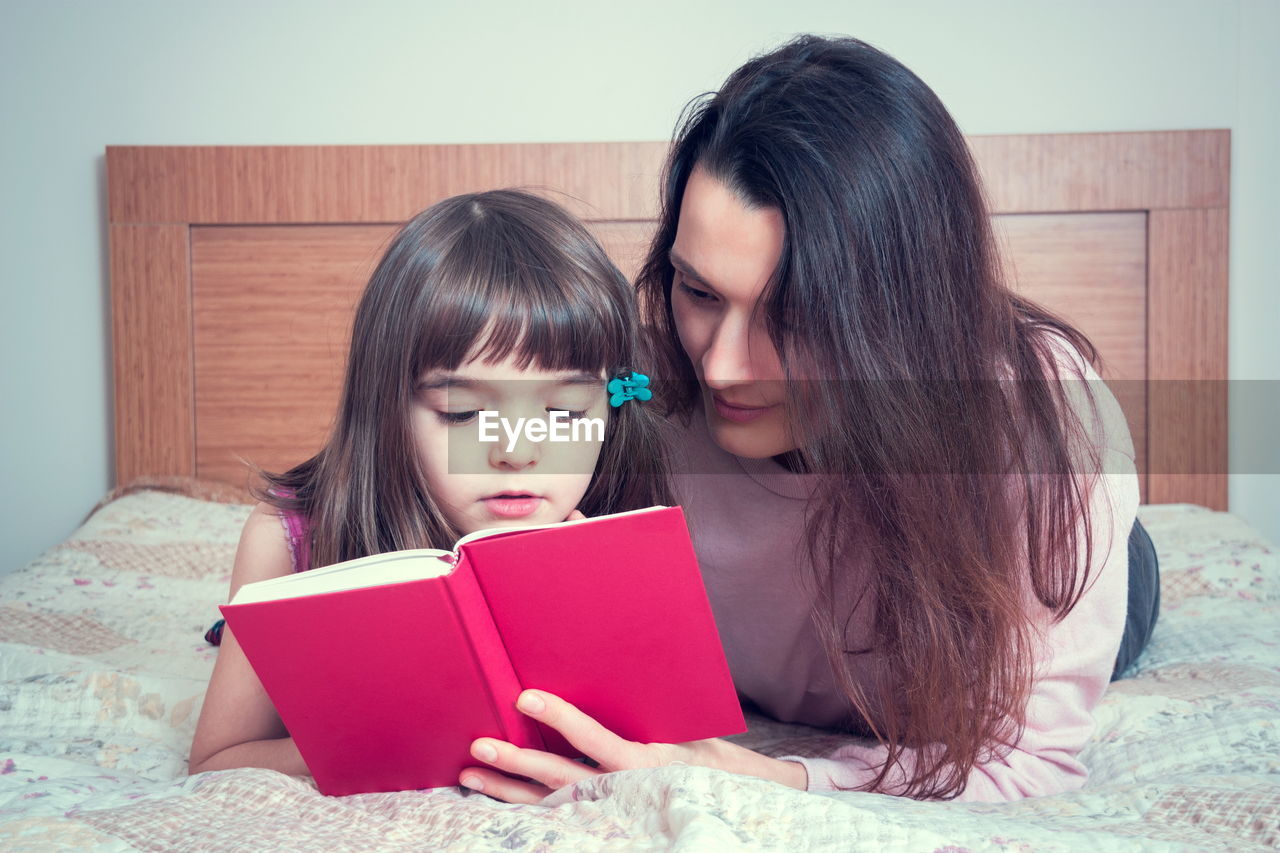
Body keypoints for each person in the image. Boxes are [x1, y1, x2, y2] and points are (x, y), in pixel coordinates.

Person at [459, 35, 1160, 803]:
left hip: (1057, 565)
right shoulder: (644, 386)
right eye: (698, 293)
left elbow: (1028, 759)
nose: (722, 363)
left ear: (901, 315)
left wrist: (769, 775)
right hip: (799, 655)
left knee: (1111, 581)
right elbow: (473, 432)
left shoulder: (1045, 428)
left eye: (789, 317)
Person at [188, 189, 671, 776]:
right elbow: (219, 759)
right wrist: (426, 740)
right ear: (390, 410)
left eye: (565, 412)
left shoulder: (632, 526)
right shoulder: (288, 539)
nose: (516, 454)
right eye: (464, 414)